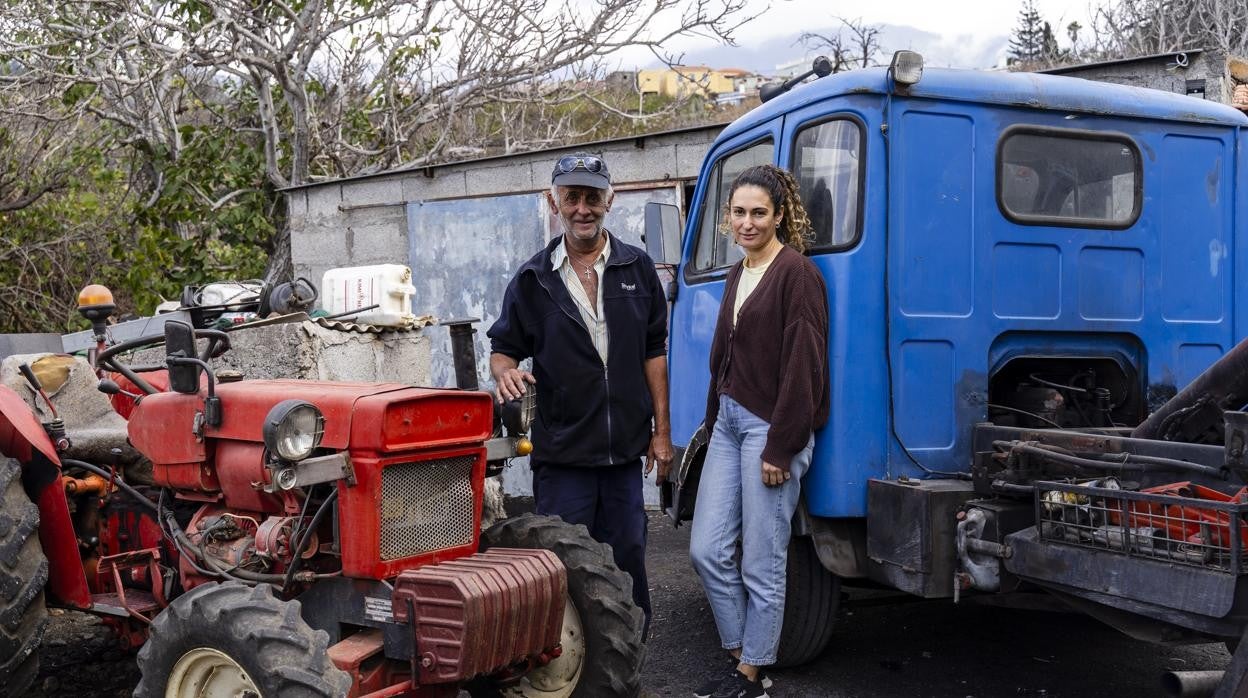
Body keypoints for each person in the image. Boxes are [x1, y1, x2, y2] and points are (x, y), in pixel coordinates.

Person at [487, 152, 673, 635]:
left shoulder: (638, 268)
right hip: (564, 456)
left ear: (609, 199)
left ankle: (630, 661)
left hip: (623, 456)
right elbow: (503, 350)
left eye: (592, 197)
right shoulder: (533, 279)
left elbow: (655, 353)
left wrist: (662, 434)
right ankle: (569, 666)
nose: (583, 208)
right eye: (572, 197)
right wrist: (504, 373)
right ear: (555, 201)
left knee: (628, 559)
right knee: (563, 568)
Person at [689, 164, 830, 698]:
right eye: (739, 213)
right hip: (727, 424)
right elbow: (723, 358)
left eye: (759, 213)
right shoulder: (736, 272)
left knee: (761, 562)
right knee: (706, 550)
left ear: (779, 215)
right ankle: (740, 651)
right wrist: (709, 422)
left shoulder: (798, 274)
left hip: (772, 429)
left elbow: (805, 365)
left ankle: (750, 674)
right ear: (729, 218)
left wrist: (783, 445)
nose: (748, 223)